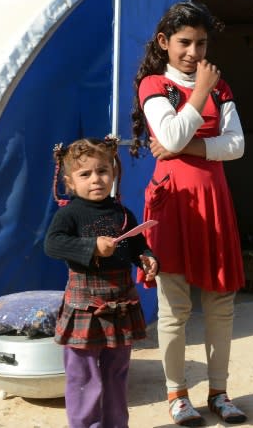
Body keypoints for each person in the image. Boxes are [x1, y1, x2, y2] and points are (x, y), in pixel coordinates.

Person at [129, 1, 247, 426]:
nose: (194, 52)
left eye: (201, 43)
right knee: (174, 307)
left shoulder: (222, 86)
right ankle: (177, 395)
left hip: (213, 200)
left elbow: (236, 146)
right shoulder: (154, 85)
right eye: (184, 42)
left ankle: (220, 391)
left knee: (221, 304)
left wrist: (192, 147)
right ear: (164, 43)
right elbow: (170, 133)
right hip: (174, 203)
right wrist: (198, 92)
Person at [45, 135, 159, 428]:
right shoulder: (68, 215)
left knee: (117, 372)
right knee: (83, 375)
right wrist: (91, 247)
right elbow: (53, 244)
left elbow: (135, 245)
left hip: (121, 304)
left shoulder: (122, 213)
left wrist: (145, 257)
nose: (96, 179)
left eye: (102, 171)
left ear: (114, 173)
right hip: (84, 307)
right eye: (85, 174)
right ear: (70, 182)